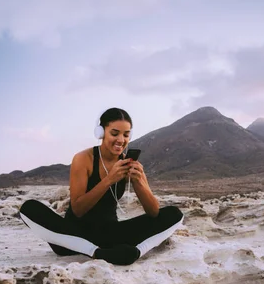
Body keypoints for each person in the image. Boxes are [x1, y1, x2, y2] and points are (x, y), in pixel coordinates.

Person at [19, 107, 184, 265]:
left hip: (111, 234)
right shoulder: (84, 159)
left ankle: (135, 252)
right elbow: (78, 209)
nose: (121, 140)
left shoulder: (129, 163)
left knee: (174, 214)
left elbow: (153, 212)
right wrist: (108, 180)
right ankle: (97, 253)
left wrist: (138, 181)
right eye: (114, 133)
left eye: (126, 135)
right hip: (73, 235)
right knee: (29, 208)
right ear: (101, 133)